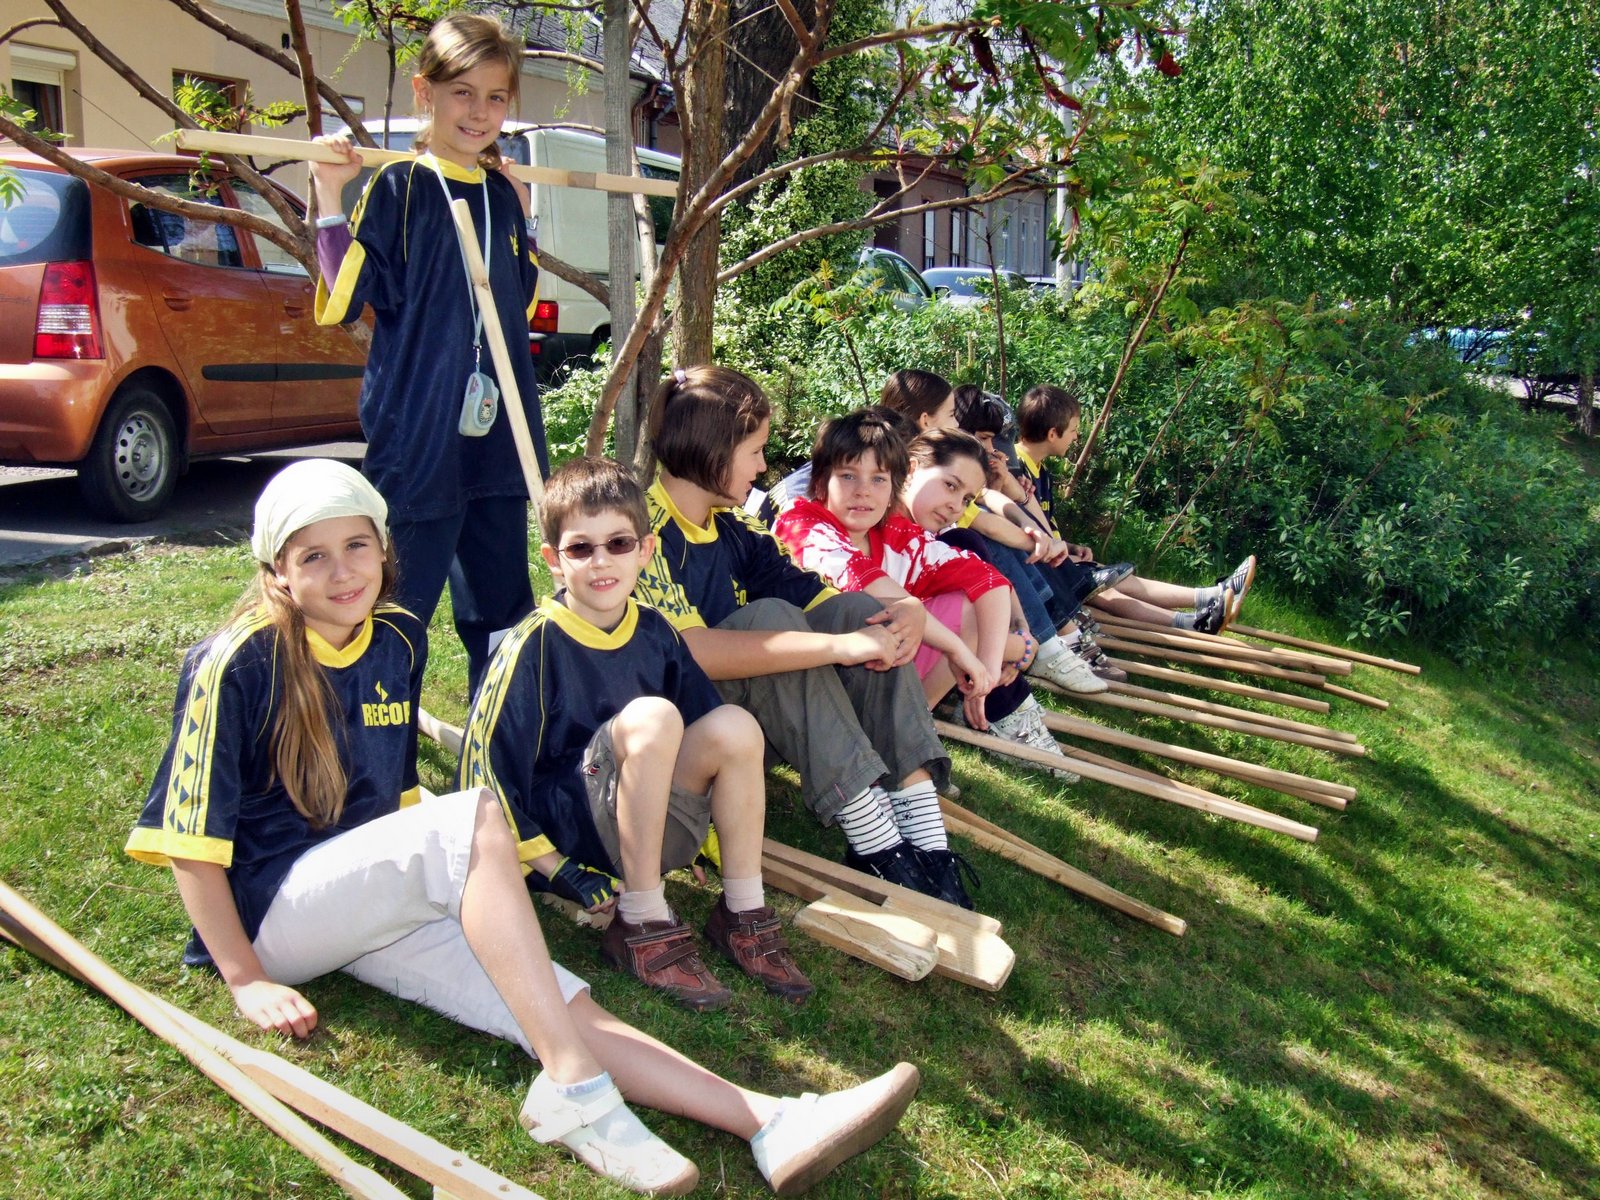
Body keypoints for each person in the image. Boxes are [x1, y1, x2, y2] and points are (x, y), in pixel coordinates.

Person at [125, 458, 920, 1198]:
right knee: (469, 819)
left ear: (384, 551)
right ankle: (573, 1085)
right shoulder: (236, 660)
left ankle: (768, 1120)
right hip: (273, 915)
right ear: (276, 573)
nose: (342, 573)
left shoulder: (396, 636)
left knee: (550, 996)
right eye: (313, 557)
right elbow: (190, 840)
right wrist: (245, 977)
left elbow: (393, 795)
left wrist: (455, 891)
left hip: (368, 889)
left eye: (356, 547)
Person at [459, 456, 814, 1011]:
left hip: (642, 825)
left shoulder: (655, 631)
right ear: (554, 560)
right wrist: (556, 870)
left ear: (645, 551)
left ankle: (741, 910)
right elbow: (480, 774)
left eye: (619, 543)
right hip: (571, 837)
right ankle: (641, 921)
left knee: (735, 726)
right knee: (654, 717)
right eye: (581, 548)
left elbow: (707, 741)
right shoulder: (532, 643)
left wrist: (709, 843)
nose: (602, 562)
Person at [633, 365, 975, 909]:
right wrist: (840, 647)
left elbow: (822, 598)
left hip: (751, 722)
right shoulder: (641, 533)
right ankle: (877, 845)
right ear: (712, 450)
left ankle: (926, 843)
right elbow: (692, 653)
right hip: (687, 736)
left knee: (862, 611)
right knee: (769, 620)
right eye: (754, 451)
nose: (762, 466)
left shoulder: (737, 527)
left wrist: (900, 610)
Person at [310, 13, 548, 694]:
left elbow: (518, 304)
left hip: (498, 441)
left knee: (503, 611)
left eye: (495, 97)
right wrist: (328, 194)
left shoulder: (500, 194)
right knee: (398, 611)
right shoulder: (402, 186)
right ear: (425, 92)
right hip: (420, 440)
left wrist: (525, 215)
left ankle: (498, 737)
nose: (479, 112)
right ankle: (383, 746)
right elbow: (346, 295)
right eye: (461, 93)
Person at [775, 413, 1076, 779]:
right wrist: (969, 652)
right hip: (810, 685)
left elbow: (990, 581)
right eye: (848, 476)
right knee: (884, 608)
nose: (864, 491)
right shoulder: (802, 522)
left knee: (965, 597)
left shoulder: (897, 534)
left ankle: (911, 732)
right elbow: (874, 589)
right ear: (822, 478)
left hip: (877, 671)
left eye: (878, 479)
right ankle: (901, 739)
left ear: (893, 481)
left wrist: (984, 674)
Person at [1014, 385, 1256, 635]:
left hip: (1057, 559)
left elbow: (1042, 525)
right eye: (1073, 430)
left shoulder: (1039, 470)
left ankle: (1206, 604)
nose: (1076, 437)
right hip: (1041, 570)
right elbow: (1022, 531)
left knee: (1111, 579)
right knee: (1105, 590)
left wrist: (1071, 547)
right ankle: (1198, 617)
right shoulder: (1015, 469)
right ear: (1053, 434)